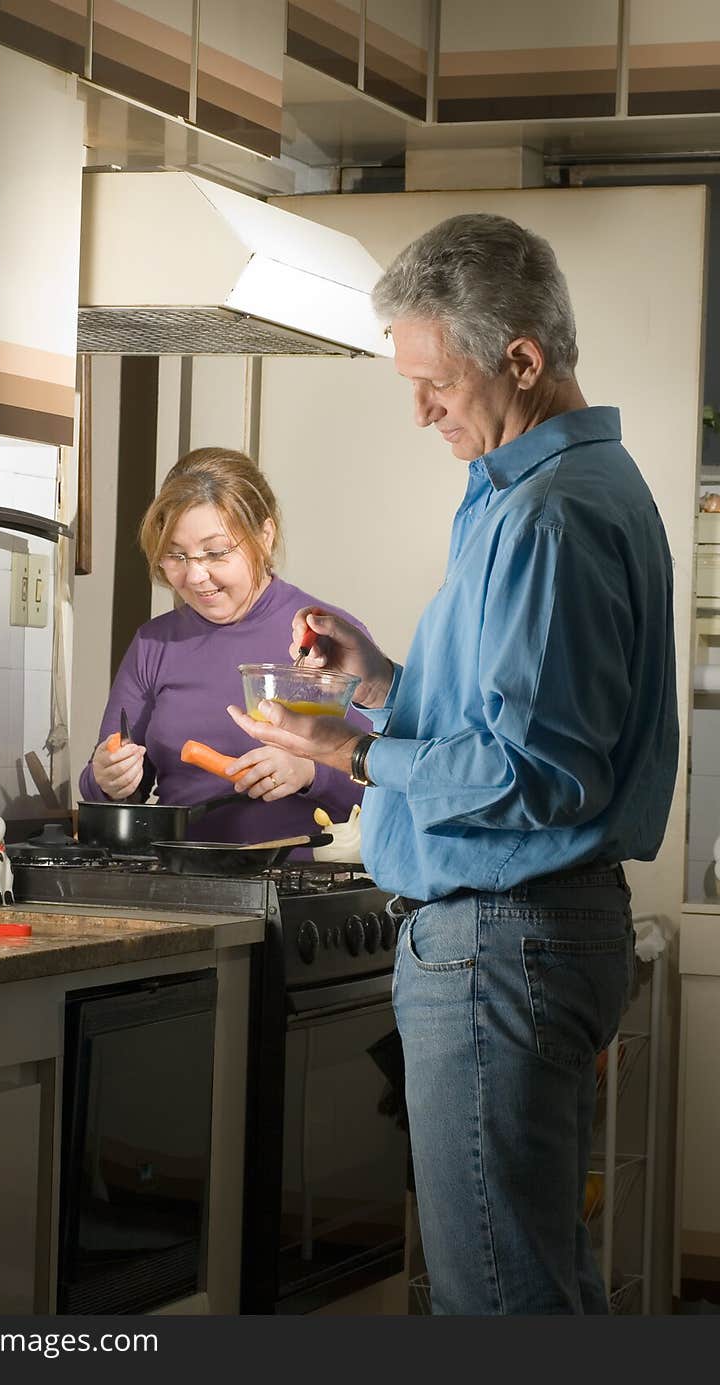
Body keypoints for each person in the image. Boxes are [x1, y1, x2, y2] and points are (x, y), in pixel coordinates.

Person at [227, 212, 679, 1314]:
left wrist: (350, 749)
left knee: (499, 1299)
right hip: (516, 938)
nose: (420, 408)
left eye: (436, 382)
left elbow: (540, 776)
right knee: (534, 1279)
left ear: (520, 358)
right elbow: (509, 722)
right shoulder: (545, 493)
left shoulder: (549, 517)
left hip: (501, 940)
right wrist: (375, 675)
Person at [79, 446, 369, 849]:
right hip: (182, 877)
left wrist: (308, 772)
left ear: (264, 537)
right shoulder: (153, 643)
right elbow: (111, 786)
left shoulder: (326, 635)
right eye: (175, 555)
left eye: (216, 553)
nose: (196, 575)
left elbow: (385, 784)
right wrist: (107, 777)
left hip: (307, 882)